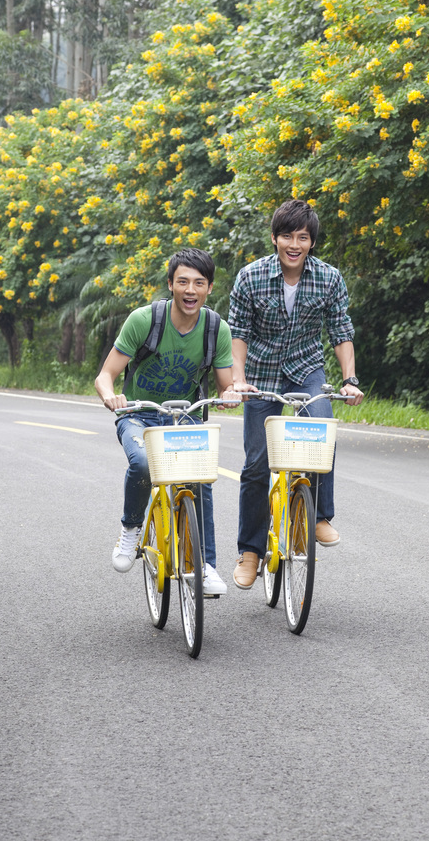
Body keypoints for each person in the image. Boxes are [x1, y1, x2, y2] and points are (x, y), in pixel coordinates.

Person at [228, 199, 364, 590]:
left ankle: (320, 516)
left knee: (322, 428)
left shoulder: (328, 278)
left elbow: (341, 332)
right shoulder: (251, 277)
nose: (294, 244)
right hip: (261, 375)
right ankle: (250, 551)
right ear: (274, 238)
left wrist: (350, 378)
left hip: (306, 370)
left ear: (311, 243)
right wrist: (238, 379)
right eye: (287, 235)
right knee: (257, 462)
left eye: (302, 237)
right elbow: (238, 334)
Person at [95, 248, 237, 596]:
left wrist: (231, 394)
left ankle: (204, 566)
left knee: (200, 476)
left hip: (183, 417)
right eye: (183, 281)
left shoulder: (216, 328)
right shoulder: (145, 320)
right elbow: (105, 375)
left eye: (199, 283)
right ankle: (131, 529)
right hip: (138, 415)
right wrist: (111, 395)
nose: (191, 290)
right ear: (171, 284)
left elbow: (225, 383)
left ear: (209, 288)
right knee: (143, 463)